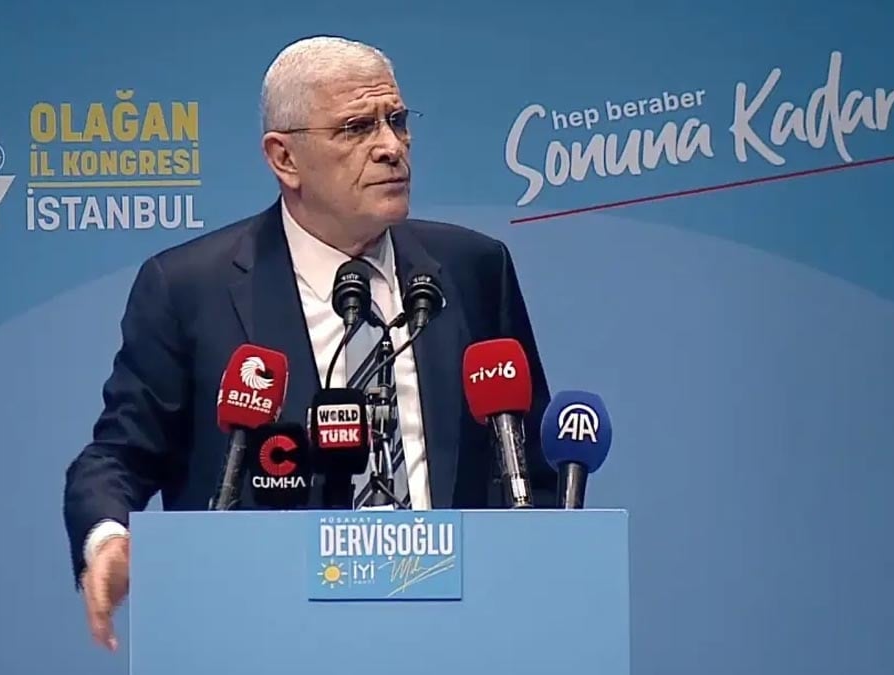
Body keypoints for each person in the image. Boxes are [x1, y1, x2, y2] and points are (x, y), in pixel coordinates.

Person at [61, 35, 557, 652]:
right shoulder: (190, 289)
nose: (391, 146)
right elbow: (119, 454)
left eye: (397, 121)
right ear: (284, 158)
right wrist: (107, 538)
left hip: (456, 636)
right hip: (264, 638)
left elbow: (529, 463)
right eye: (356, 127)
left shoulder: (473, 269)